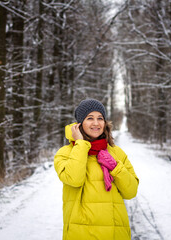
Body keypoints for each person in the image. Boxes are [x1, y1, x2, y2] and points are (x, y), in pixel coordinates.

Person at [54, 98, 139, 240]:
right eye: (89, 118)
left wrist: (116, 167)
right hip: (81, 233)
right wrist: (80, 144)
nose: (96, 123)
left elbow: (131, 191)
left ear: (105, 123)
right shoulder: (65, 153)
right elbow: (74, 179)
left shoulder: (117, 153)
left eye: (100, 118)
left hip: (115, 233)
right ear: (79, 124)